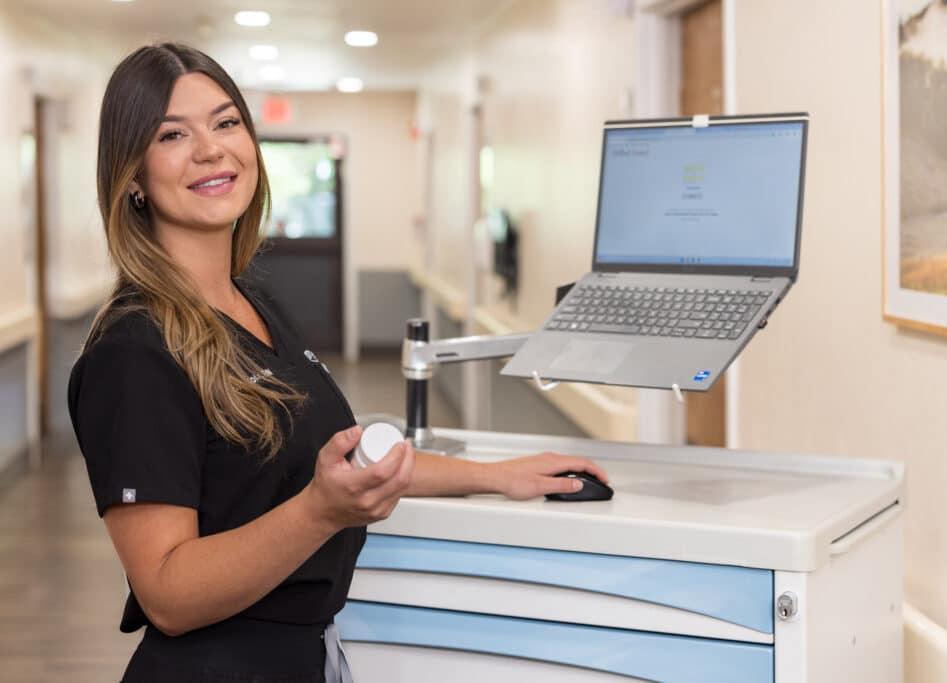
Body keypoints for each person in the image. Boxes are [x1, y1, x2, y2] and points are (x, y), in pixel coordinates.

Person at [68, 42, 609, 683]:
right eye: (171, 134)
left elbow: (351, 461)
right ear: (131, 174)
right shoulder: (135, 350)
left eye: (226, 122)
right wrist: (319, 511)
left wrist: (499, 475)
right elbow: (167, 594)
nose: (210, 149)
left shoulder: (254, 302)